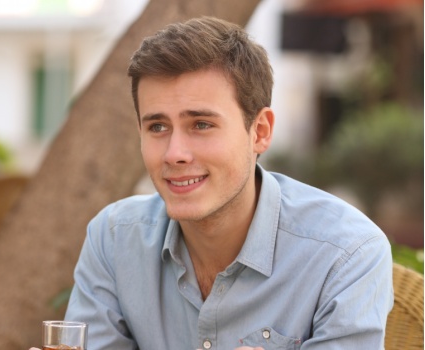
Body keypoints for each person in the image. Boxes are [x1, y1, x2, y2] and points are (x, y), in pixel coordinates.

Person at [39, 16, 393, 350]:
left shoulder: (346, 255)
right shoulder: (114, 239)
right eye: (158, 127)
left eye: (201, 125)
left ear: (260, 131)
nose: (174, 154)